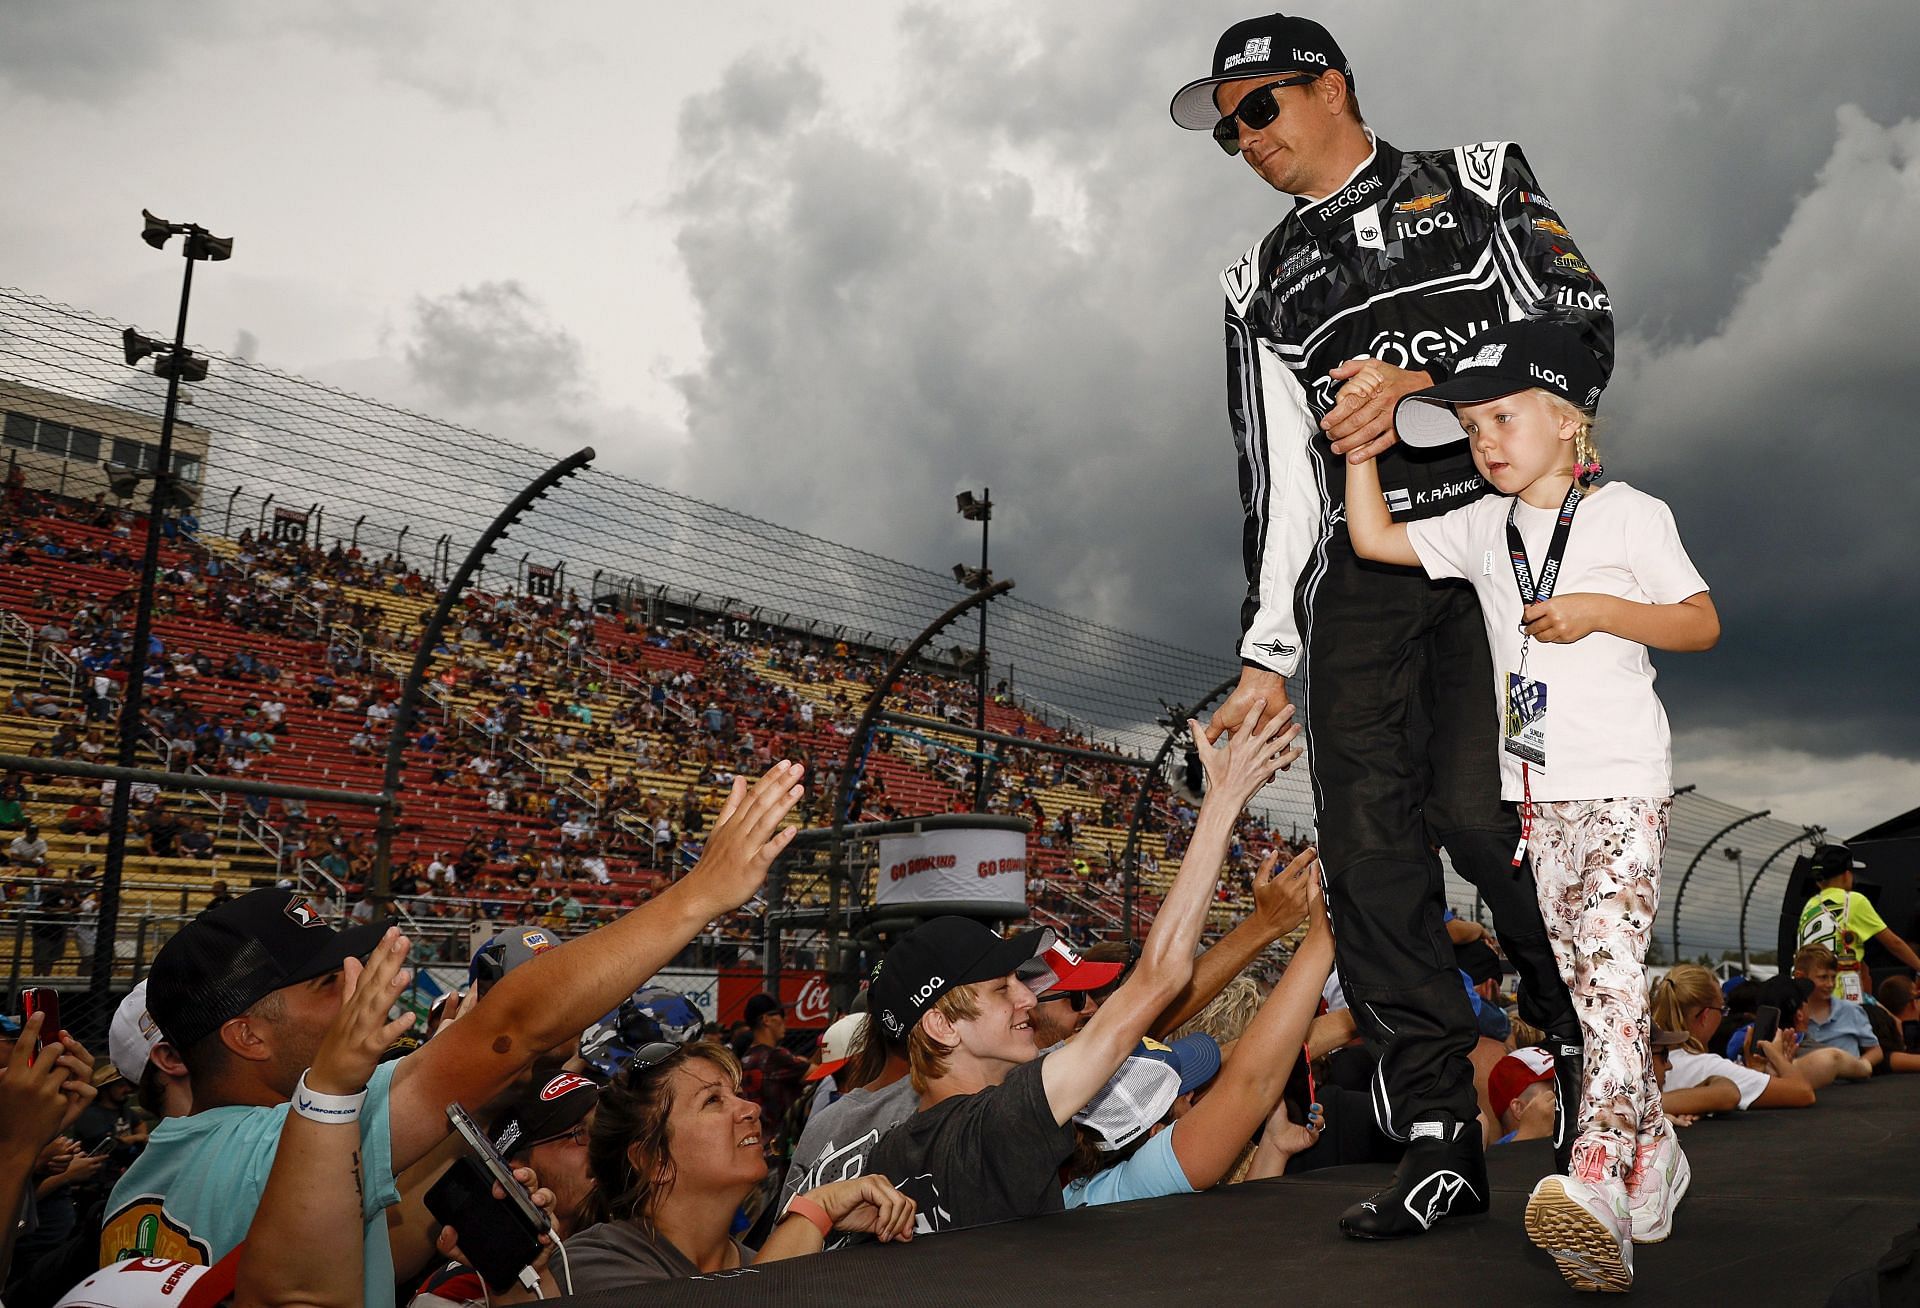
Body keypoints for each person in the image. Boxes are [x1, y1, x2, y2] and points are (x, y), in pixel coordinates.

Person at [1168, 12, 1589, 1239]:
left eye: (1260, 108)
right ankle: (1440, 1139)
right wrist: (1262, 656)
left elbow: (1584, 333)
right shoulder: (1259, 281)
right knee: (1367, 853)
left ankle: (1582, 1048)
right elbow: (1278, 485)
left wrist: (1432, 386)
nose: (1243, 139)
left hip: (1495, 544)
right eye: (1226, 126)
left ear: (1332, 86)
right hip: (1358, 571)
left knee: (1478, 809)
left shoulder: (1478, 181)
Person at [104, 761, 805, 1308]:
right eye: (325, 985)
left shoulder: (155, 1178)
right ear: (247, 1036)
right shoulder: (279, 1142)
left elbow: (365, 1255)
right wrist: (701, 893)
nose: (355, 987)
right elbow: (511, 1033)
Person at [1342, 319, 1718, 1290]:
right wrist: (1361, 450)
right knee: (1597, 992)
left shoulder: (1632, 514)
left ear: (1568, 418)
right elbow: (1374, 536)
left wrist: (1600, 611)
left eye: (1503, 417)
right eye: (1471, 429)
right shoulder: (1483, 526)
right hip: (1537, 800)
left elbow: (1700, 622)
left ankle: (1595, 1178)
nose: (1486, 443)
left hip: (1625, 785)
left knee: (1608, 983)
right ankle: (1656, 1150)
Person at [859, 706, 1299, 1234]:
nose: (1026, 998)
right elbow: (1159, 980)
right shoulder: (998, 1123)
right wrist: (1223, 802)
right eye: (1002, 988)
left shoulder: (891, 1152)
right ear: (940, 1024)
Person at [566, 1041, 915, 1290]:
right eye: (713, 1100)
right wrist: (814, 1210)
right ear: (654, 1161)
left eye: (737, 1094)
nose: (751, 1109)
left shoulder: (762, 1264)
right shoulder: (591, 1266)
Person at [1650, 965, 1816, 1113]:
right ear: (1705, 1015)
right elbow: (1802, 1092)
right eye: (1722, 1010)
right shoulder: (1706, 1066)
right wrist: (1776, 1055)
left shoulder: (1645, 1059)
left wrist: (1755, 1070)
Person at [1797, 843, 1920, 1004]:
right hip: (1842, 996)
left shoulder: (1811, 906)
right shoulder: (1853, 901)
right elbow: (1893, 943)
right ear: (1846, 874)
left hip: (1811, 998)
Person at [737, 994, 807, 1162]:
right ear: (766, 1019)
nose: (785, 1021)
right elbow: (818, 1072)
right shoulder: (775, 1056)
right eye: (781, 1015)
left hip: (754, 1145)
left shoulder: (747, 1056)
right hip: (777, 1149)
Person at [1792, 945, 1880, 1078]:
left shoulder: (1851, 1010)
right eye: (1823, 977)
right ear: (1800, 977)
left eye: (1833, 977)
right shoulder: (1791, 1014)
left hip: (1848, 1086)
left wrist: (1860, 1066)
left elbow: (1875, 1050)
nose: (1830, 984)